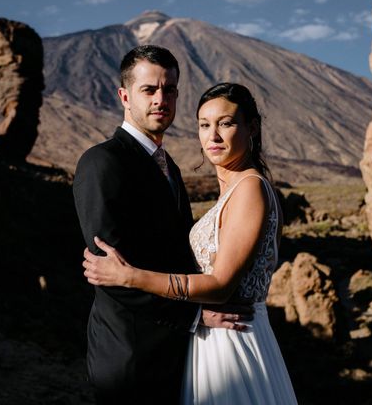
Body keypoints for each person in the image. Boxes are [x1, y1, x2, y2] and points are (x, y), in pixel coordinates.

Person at [84, 82, 298, 404]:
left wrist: (130, 276)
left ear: (251, 127)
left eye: (225, 123)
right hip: (211, 341)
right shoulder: (231, 189)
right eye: (204, 125)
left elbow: (221, 286)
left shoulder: (250, 189)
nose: (213, 136)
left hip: (233, 345)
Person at [73, 46, 246, 404]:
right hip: (130, 355)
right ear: (124, 96)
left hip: (173, 352)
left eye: (169, 90)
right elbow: (110, 272)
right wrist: (194, 315)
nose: (160, 99)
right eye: (148, 90)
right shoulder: (102, 162)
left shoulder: (170, 167)